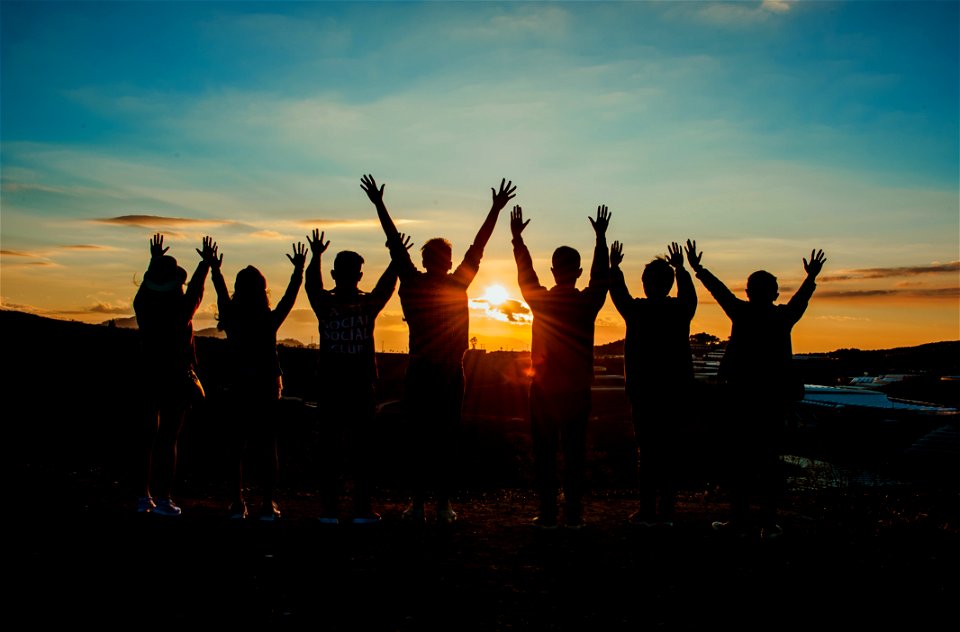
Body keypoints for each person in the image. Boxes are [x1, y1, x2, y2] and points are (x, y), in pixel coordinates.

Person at [362, 173, 516, 525]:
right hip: (445, 371)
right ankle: (441, 505)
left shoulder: (414, 281)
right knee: (444, 438)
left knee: (421, 438)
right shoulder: (455, 282)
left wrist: (379, 205)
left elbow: (395, 244)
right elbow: (478, 246)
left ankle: (419, 504)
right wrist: (494, 209)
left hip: (425, 369)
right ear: (446, 261)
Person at [687, 241, 826, 539]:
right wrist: (810, 277)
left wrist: (699, 269)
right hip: (772, 401)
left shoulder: (741, 312)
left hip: (741, 400)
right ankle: (768, 523)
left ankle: (738, 520)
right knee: (769, 462)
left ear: (748, 292)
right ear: (775, 293)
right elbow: (801, 300)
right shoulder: (782, 317)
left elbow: (719, 291)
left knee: (740, 462)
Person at [510, 204, 611, 529]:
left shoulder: (541, 301)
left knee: (545, 455)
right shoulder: (587, 303)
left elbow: (525, 275)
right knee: (574, 454)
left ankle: (549, 513)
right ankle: (574, 514)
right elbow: (601, 278)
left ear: (553, 271)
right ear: (577, 271)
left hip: (543, 389)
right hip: (578, 390)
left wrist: (518, 241)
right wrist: (600, 240)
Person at [305, 228, 410, 525]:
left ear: (335, 273)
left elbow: (311, 284)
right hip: (360, 386)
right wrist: (395, 257)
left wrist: (315, 256)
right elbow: (388, 286)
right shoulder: (367, 304)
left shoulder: (324, 304)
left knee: (330, 450)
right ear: (360, 275)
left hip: (331, 385)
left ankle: (329, 510)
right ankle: (362, 508)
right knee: (361, 450)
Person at [207, 240, 307, 522]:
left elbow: (220, 291)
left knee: (236, 446)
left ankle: (237, 503)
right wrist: (298, 271)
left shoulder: (232, 317)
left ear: (238, 290)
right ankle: (266, 503)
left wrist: (215, 269)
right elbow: (289, 297)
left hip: (239, 382)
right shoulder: (268, 319)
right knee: (267, 445)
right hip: (266, 384)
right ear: (263, 291)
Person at [609, 240, 697, 528]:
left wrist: (614, 268)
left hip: (643, 392)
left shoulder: (637, 311)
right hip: (675, 392)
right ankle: (667, 513)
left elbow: (618, 294)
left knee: (646, 453)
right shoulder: (681, 311)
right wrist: (682, 269)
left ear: (645, 284)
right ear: (670, 284)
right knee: (669, 453)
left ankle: (646, 512)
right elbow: (690, 296)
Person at [133, 233, 215, 517]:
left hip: (147, 370)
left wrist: (154, 260)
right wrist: (205, 264)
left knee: (146, 435)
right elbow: (196, 290)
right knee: (169, 438)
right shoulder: (181, 309)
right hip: (176, 375)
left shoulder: (142, 304)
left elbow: (150, 285)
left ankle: (142, 495)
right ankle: (164, 497)